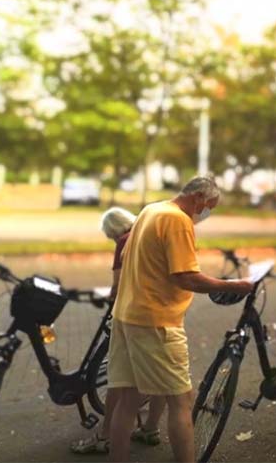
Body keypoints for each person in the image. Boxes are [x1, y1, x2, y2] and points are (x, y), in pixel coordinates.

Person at [107, 177, 253, 463]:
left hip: (126, 315)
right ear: (198, 198)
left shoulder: (152, 210)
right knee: (181, 401)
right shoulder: (177, 220)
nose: (206, 213)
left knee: (127, 400)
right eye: (209, 206)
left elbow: (126, 254)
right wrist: (234, 285)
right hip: (155, 321)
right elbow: (186, 277)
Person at [70, 208, 166, 454]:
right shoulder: (152, 232)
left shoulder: (124, 241)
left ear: (114, 230)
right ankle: (151, 428)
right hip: (162, 314)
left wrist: (109, 297)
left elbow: (118, 283)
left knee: (120, 378)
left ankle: (105, 437)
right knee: (162, 378)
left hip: (133, 316)